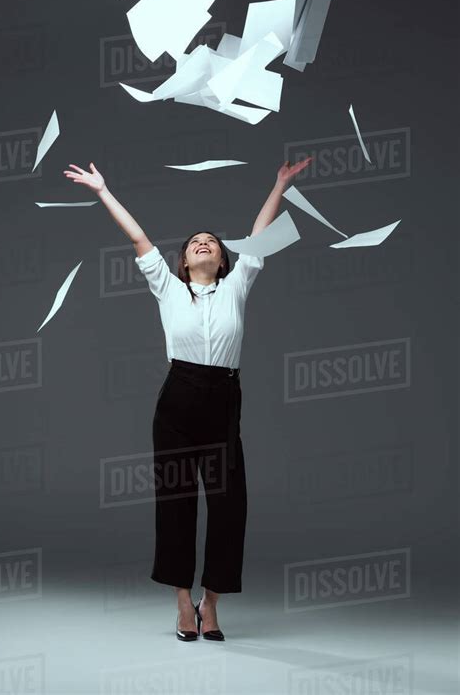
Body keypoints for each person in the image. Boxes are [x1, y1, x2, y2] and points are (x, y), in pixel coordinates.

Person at [63, 157, 309, 640]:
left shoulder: (237, 285)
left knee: (229, 504)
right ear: (184, 261)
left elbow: (259, 237)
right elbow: (138, 238)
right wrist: (102, 190)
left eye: (212, 243)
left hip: (223, 400)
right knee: (175, 502)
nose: (203, 244)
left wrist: (278, 183)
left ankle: (211, 604)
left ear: (221, 261)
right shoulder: (168, 289)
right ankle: (181, 604)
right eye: (196, 242)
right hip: (177, 401)